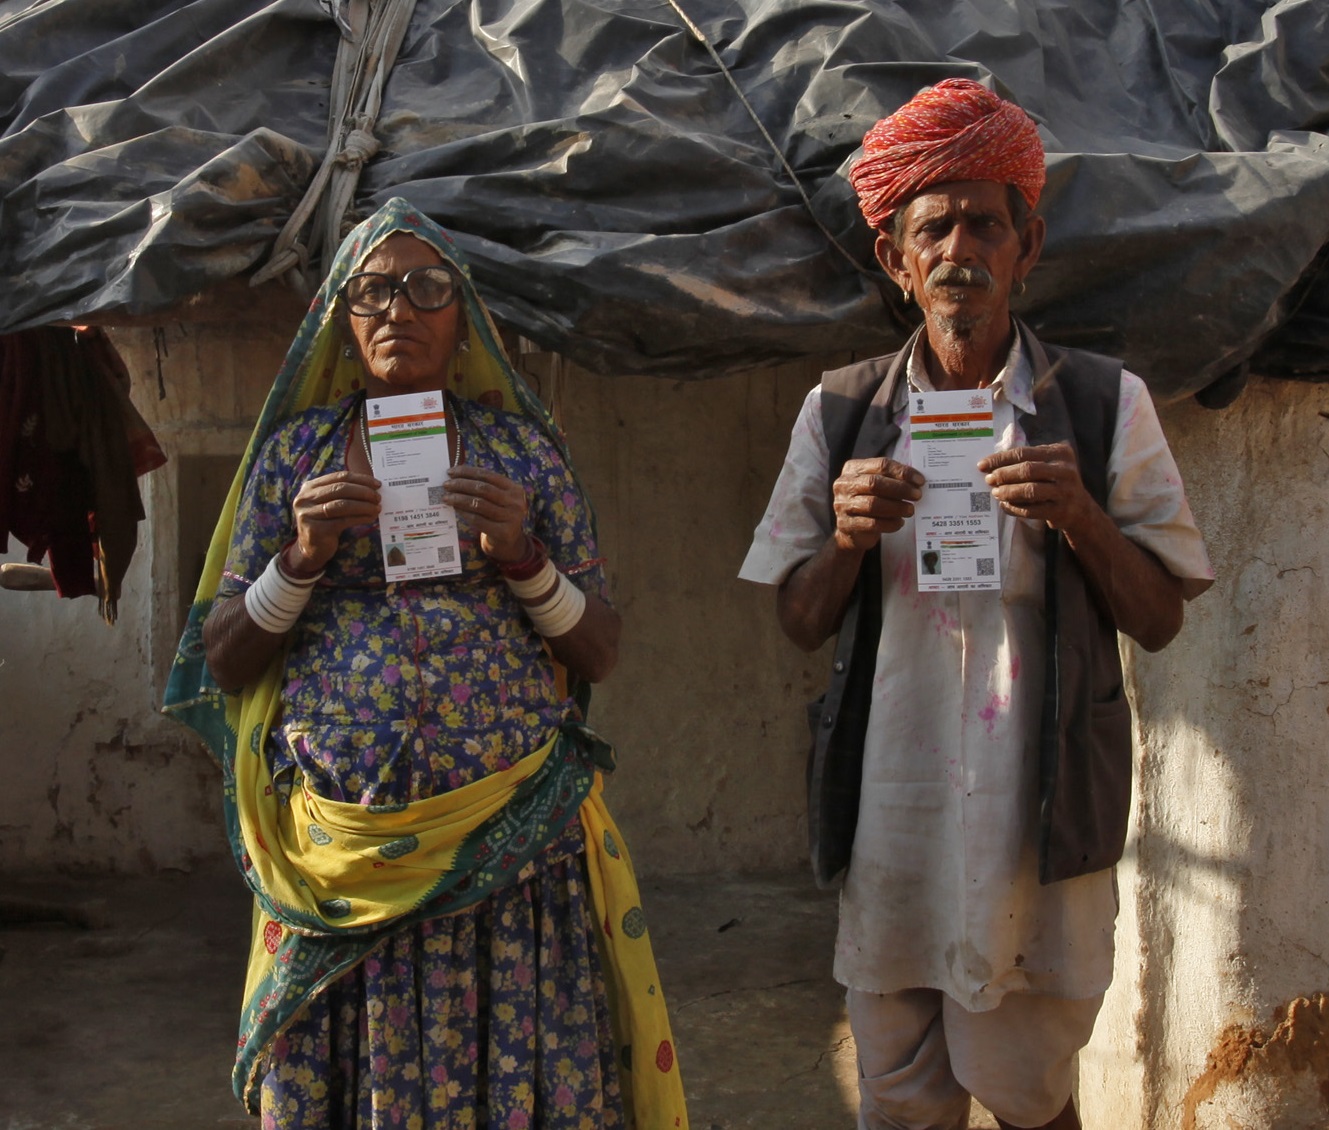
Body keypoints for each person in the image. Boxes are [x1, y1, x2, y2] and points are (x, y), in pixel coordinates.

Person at [739, 79, 1214, 1130]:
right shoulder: (840, 412)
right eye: (933, 225)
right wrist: (850, 539)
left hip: (1033, 814)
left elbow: (1161, 615)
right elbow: (798, 617)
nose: (960, 246)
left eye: (984, 223)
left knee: (1028, 1090)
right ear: (894, 259)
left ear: (1025, 245)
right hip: (894, 815)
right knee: (901, 1100)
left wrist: (1082, 518)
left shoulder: (1098, 404)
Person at [163, 198, 687, 1130]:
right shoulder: (296, 460)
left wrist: (523, 557)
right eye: (372, 290)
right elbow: (226, 657)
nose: (398, 308)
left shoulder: (522, 457)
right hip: (342, 858)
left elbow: (598, 646)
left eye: (426, 287)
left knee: (512, 1063)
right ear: (342, 318)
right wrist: (301, 559)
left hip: (510, 842)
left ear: (463, 319)